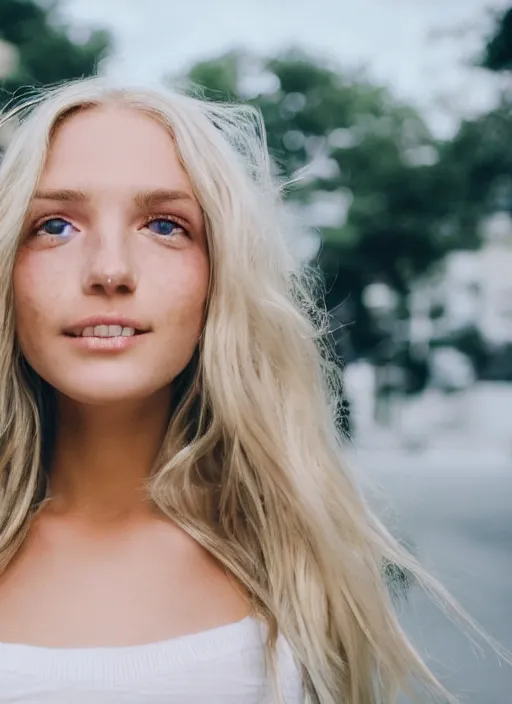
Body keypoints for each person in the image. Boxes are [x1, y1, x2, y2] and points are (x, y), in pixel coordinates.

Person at [0, 77, 505, 704]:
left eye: (163, 225)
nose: (109, 270)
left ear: (221, 274)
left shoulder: (296, 558)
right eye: (54, 225)